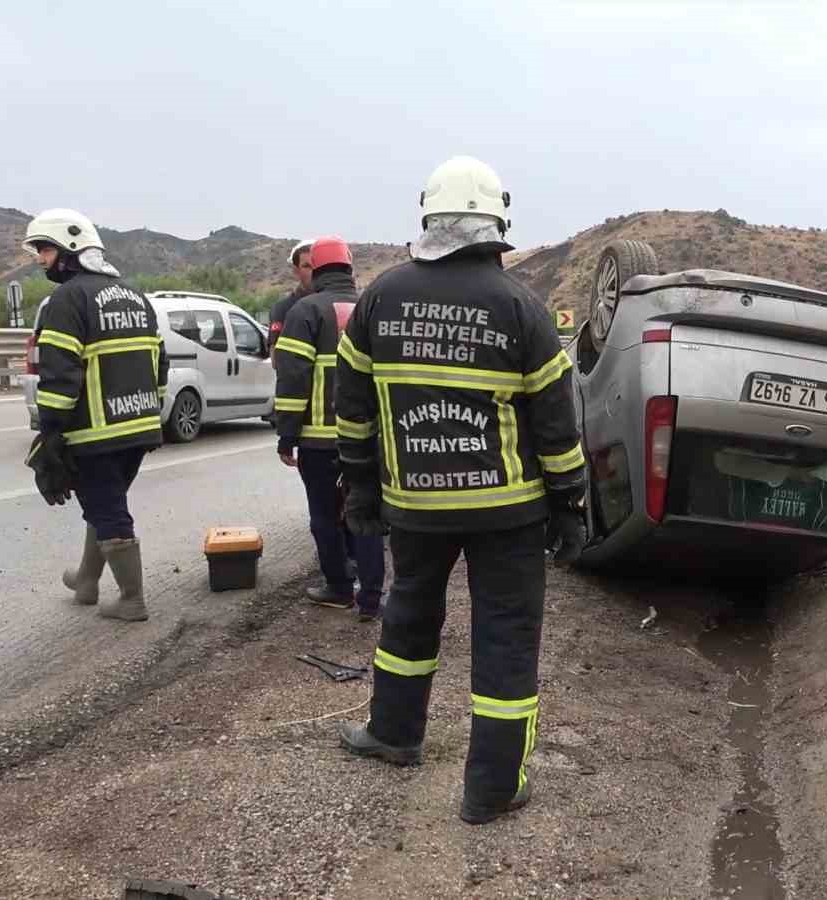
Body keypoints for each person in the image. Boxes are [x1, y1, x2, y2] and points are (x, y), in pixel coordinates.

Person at [332, 155, 587, 825]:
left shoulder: (380, 298)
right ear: (496, 223)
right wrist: (571, 502)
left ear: (430, 217)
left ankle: (394, 733)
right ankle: (491, 789)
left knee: (408, 613)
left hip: (414, 508)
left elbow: (351, 407)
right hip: (509, 513)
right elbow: (557, 425)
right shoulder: (522, 307)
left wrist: (360, 484)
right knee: (505, 638)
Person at [24, 208, 169, 622]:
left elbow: (59, 372)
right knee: (105, 502)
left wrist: (50, 430)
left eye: (45, 249)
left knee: (108, 511)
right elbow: (160, 362)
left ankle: (132, 598)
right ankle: (87, 581)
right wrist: (151, 411)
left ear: (70, 249)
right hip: (139, 428)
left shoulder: (66, 300)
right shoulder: (135, 295)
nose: (40, 259)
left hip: (95, 432)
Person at [272, 236, 386, 620]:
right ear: (350, 269)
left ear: (316, 270)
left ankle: (338, 588)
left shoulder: (304, 312)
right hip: (369, 438)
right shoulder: (373, 307)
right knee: (367, 512)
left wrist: (287, 435)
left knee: (325, 516)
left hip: (319, 442)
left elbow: (292, 379)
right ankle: (371, 598)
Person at [267, 239, 315, 362]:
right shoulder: (282, 309)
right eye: (307, 266)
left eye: (317, 266)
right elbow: (275, 360)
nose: (313, 272)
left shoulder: (330, 304)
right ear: (296, 271)